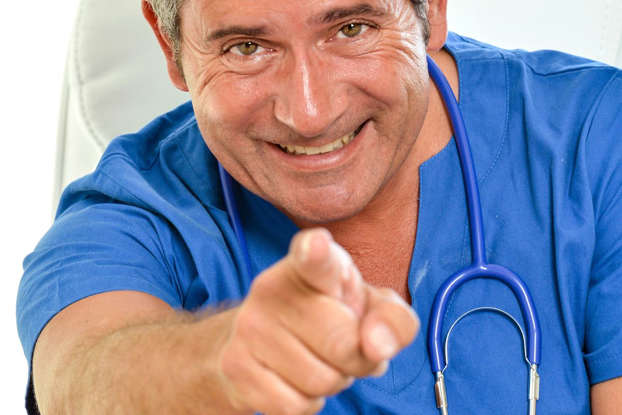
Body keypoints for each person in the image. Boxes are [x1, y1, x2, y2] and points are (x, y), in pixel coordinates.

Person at [16, 0, 622, 413]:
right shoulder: (132, 214)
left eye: (351, 28)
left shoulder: (595, 138)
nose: (309, 113)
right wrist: (221, 364)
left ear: (431, 9)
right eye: (248, 47)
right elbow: (81, 375)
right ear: (169, 45)